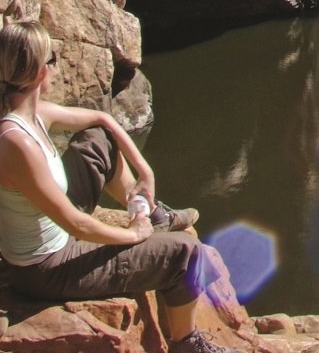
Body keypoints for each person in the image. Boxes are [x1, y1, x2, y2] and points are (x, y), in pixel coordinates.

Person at [0, 19, 238, 353]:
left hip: (53, 240)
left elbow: (102, 121)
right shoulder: (16, 143)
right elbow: (76, 223)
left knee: (96, 141)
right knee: (186, 254)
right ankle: (186, 344)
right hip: (46, 269)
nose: (58, 66)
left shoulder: (32, 113)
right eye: (54, 59)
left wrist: (144, 171)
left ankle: (154, 213)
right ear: (40, 70)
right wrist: (134, 235)